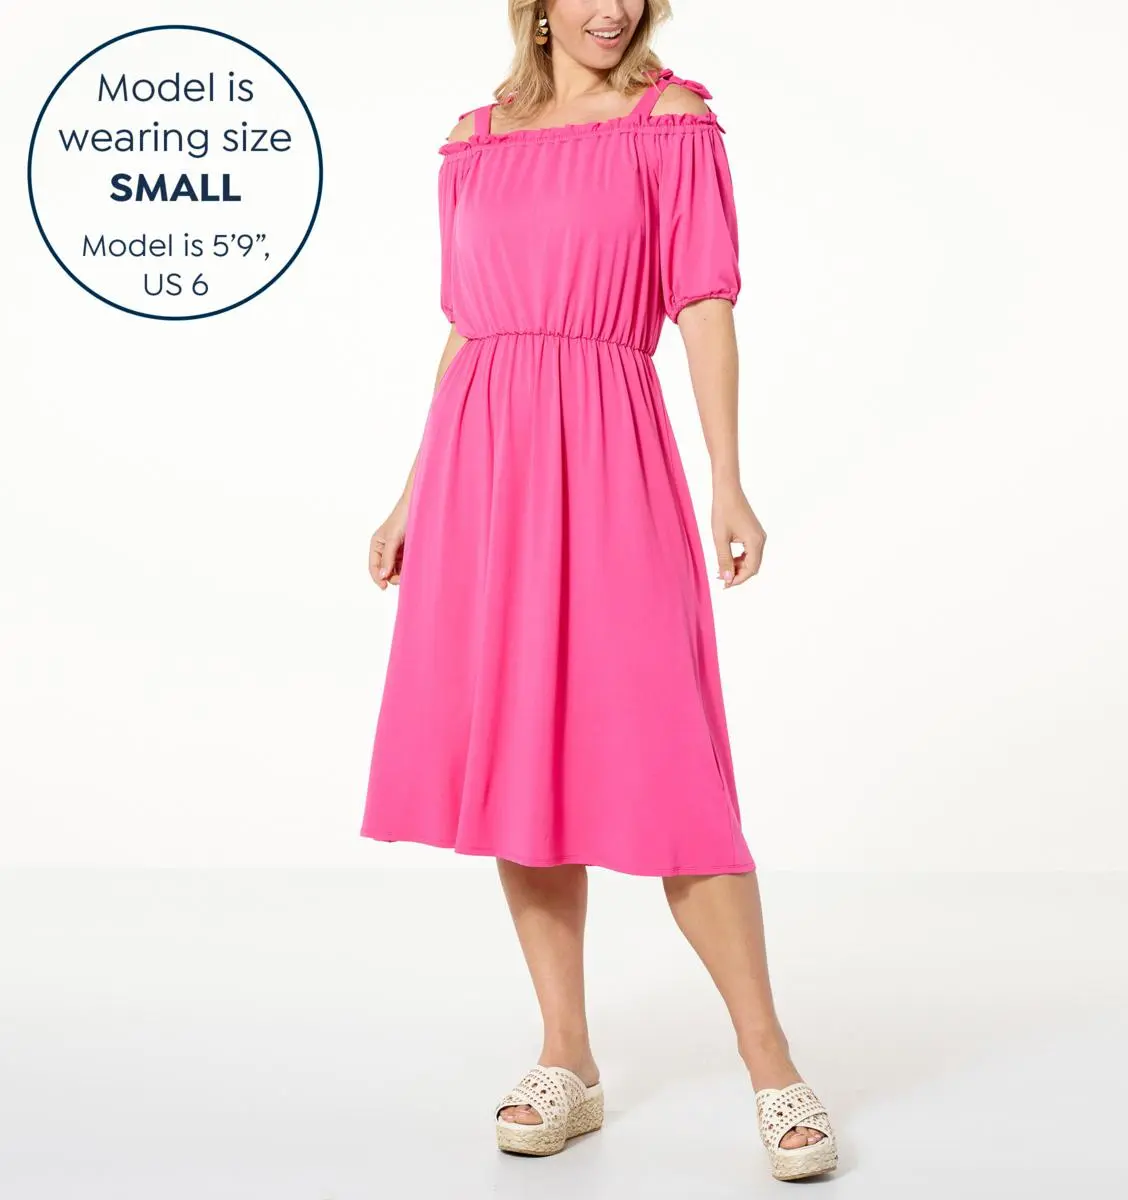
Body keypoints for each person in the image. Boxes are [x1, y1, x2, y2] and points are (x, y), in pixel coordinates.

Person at [360, 1, 838, 1182]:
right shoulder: (474, 139)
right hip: (481, 468)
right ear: (534, 7)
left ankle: (771, 1061)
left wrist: (728, 479)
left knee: (671, 761)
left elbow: (704, 304)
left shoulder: (670, 122)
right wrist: (412, 493)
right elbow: (467, 330)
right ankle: (565, 1055)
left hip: (610, 446)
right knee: (521, 763)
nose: (610, 8)